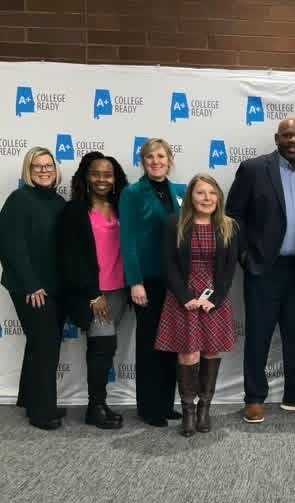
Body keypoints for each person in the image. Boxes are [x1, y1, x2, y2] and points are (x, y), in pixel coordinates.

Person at [226, 117, 295, 423]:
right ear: (277, 138)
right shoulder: (254, 169)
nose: (293, 141)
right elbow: (233, 217)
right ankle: (253, 397)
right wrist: (244, 257)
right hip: (264, 268)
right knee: (258, 335)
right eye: (287, 135)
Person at [156, 174, 238, 436]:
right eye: (201, 193)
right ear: (191, 196)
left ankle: (205, 409)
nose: (207, 198)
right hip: (184, 297)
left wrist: (214, 299)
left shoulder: (229, 226)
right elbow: (168, 263)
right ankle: (188, 411)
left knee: (211, 351)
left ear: (219, 198)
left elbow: (228, 268)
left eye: (212, 193)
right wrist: (185, 297)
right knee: (188, 354)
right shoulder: (174, 224)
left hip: (215, 299)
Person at [60, 151, 130, 430]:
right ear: (86, 178)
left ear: (115, 179)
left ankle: (101, 403)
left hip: (119, 289)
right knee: (101, 348)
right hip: (95, 292)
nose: (102, 179)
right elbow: (70, 257)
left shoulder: (122, 206)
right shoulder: (75, 210)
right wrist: (92, 294)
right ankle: (95, 407)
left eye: (107, 174)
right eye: (96, 174)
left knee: (107, 346)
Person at [0, 147, 66, 430]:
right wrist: (31, 284)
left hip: (54, 288)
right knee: (45, 346)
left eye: (47, 165)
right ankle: (42, 412)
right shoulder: (19, 199)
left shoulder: (59, 202)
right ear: (29, 169)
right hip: (30, 287)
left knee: (40, 344)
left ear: (55, 168)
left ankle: (31, 399)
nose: (43, 169)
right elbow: (11, 246)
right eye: (37, 165)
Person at [119, 138, 181, 427]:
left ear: (169, 159)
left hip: (174, 280)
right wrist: (135, 282)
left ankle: (167, 404)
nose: (155, 162)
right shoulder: (132, 193)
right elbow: (127, 240)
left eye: (160, 156)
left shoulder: (179, 191)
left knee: (170, 344)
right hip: (148, 281)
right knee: (149, 345)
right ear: (142, 163)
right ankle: (149, 408)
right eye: (149, 158)